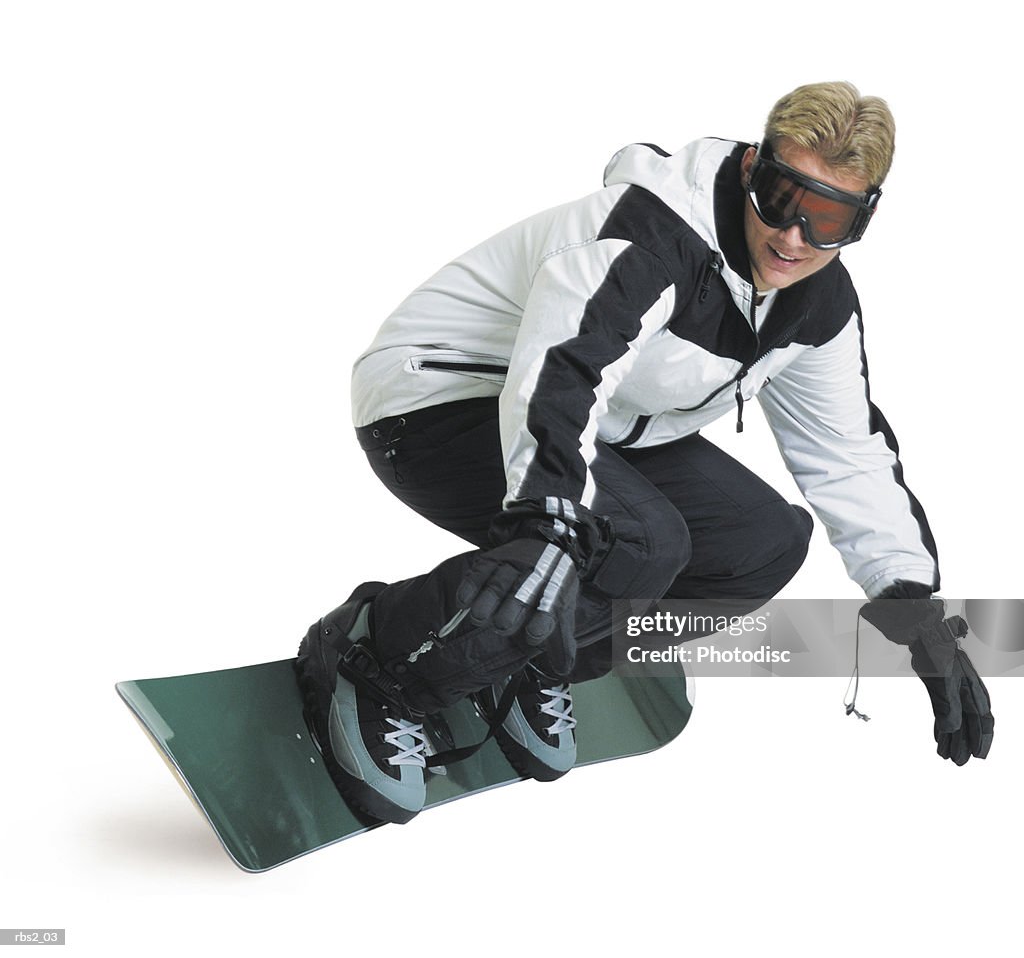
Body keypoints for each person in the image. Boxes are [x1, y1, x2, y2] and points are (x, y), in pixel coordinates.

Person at [295, 81, 988, 826]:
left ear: (863, 219)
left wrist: (912, 604)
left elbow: (847, 450)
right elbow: (563, 365)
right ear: (754, 167)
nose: (793, 238)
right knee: (641, 540)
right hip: (437, 397)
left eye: (828, 219)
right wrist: (548, 520)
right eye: (783, 199)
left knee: (762, 544)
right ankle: (382, 664)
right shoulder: (650, 232)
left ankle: (525, 660)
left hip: (610, 421)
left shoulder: (817, 304)